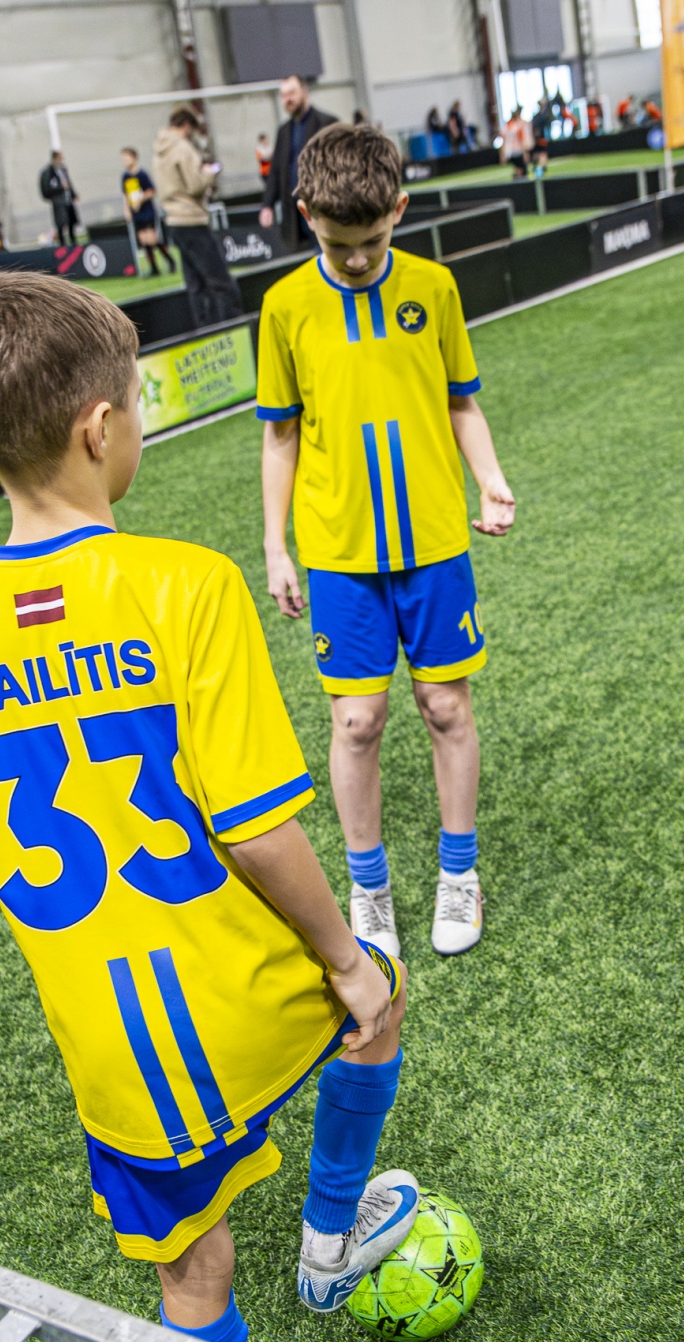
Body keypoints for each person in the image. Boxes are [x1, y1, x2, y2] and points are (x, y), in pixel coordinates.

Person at [0, 269, 416, 1342]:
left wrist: (8, 854)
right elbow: (256, 827)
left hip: (116, 1056)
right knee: (380, 1000)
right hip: (243, 999)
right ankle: (327, 1244)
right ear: (100, 427)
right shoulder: (186, 584)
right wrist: (344, 956)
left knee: (192, 1273)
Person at [254, 125, 517, 964]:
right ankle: (368, 890)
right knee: (358, 721)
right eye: (339, 244)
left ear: (400, 209)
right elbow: (280, 436)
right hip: (337, 554)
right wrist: (276, 547)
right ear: (306, 216)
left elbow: (461, 402)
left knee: (446, 707)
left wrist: (490, 478)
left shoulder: (434, 288)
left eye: (372, 239)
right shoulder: (284, 306)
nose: (359, 258)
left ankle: (458, 874)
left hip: (433, 542)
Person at [155, 108, 240, 327]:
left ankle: (205, 330)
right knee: (220, 282)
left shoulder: (159, 151)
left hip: (173, 220)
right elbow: (195, 185)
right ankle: (233, 329)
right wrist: (210, 172)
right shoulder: (182, 148)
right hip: (192, 219)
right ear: (186, 125)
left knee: (195, 285)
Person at [260, 74, 337, 248]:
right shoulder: (283, 131)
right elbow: (276, 171)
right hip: (294, 214)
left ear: (304, 92)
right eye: (283, 95)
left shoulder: (327, 123)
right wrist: (267, 205)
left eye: (292, 93)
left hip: (323, 211)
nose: (288, 99)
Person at [119, 148, 174, 278]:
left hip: (146, 211)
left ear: (134, 158)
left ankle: (169, 259)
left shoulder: (142, 174)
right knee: (143, 241)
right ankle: (154, 267)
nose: (125, 161)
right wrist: (127, 210)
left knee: (152, 239)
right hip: (136, 213)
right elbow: (125, 194)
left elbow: (151, 191)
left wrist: (140, 200)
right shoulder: (125, 176)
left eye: (127, 158)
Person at [40, 150, 81, 244]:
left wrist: (74, 195)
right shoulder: (49, 172)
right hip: (59, 202)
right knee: (61, 223)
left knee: (71, 222)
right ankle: (62, 244)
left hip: (67, 199)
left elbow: (69, 183)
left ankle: (73, 242)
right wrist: (60, 187)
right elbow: (49, 188)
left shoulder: (63, 169)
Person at [501, 107, 533, 178]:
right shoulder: (518, 127)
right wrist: (525, 153)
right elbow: (521, 140)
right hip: (518, 151)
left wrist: (503, 154)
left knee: (517, 168)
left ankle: (517, 180)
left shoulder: (508, 126)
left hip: (510, 152)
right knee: (522, 169)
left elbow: (504, 140)